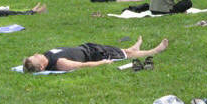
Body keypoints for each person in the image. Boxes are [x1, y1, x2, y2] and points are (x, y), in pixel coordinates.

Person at [23, 36, 169, 72]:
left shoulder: (46, 57)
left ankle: (133, 48)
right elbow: (82, 65)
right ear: (41, 67)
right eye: (35, 57)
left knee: (122, 50)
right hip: (96, 55)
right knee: (126, 55)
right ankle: (154, 51)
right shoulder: (60, 63)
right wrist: (102, 63)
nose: (36, 54)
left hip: (87, 47)